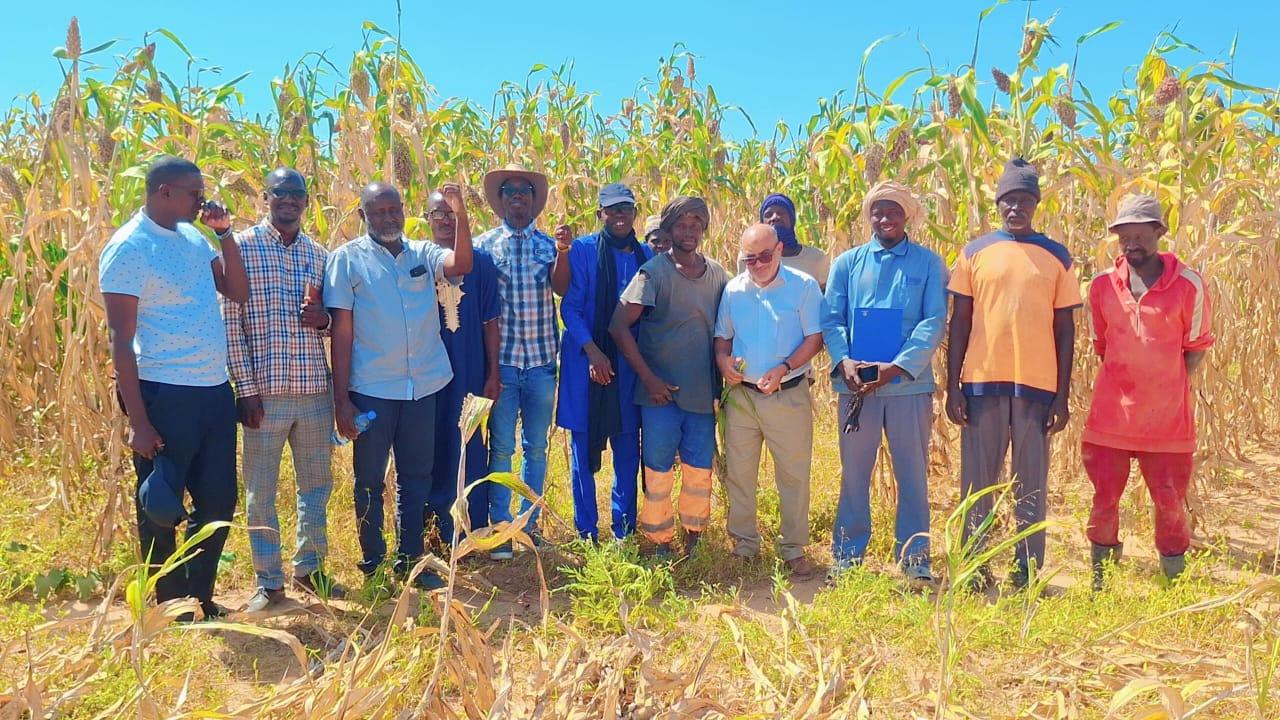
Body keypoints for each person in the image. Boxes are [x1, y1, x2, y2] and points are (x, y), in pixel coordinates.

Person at [99, 155, 248, 621]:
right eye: (195, 194)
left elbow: (237, 291)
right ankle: (169, 604)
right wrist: (139, 422)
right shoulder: (129, 247)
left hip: (213, 389)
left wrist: (224, 234)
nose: (203, 202)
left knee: (218, 499)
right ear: (165, 192)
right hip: (164, 391)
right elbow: (121, 341)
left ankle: (200, 597)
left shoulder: (195, 239)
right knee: (161, 503)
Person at [325, 181, 472, 591]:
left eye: (395, 210)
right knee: (369, 479)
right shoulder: (347, 260)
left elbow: (461, 263)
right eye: (379, 211)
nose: (389, 218)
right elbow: (341, 332)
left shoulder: (422, 253)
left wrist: (460, 211)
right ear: (363, 216)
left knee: (416, 477)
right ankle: (374, 564)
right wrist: (341, 401)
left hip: (422, 385)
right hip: (373, 389)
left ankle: (410, 561)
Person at [945, 158, 1081, 590]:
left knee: (1031, 483)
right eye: (1008, 200)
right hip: (981, 384)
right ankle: (974, 564)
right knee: (978, 483)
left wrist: (1062, 395)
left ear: (1036, 204)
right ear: (998, 204)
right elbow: (959, 322)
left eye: (1024, 200)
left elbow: (1065, 329)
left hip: (1037, 388)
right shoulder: (974, 253)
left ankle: (1027, 568)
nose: (1015, 208)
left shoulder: (1057, 256)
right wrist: (952, 387)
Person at [224, 168, 343, 613]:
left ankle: (310, 569)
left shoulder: (319, 254)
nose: (289, 200)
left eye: (297, 194)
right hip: (265, 393)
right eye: (281, 193)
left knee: (316, 486)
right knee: (261, 492)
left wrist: (324, 320)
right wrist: (245, 389)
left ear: (306, 201)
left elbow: (335, 321)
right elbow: (230, 325)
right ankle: (269, 582)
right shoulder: (240, 249)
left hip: (314, 390)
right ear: (265, 197)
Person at [1082, 193, 1214, 588]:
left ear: (1159, 232)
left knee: (1170, 502)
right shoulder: (1101, 286)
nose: (1131, 244)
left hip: (1167, 423)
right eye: (1125, 237)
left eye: (1140, 235)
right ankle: (1102, 579)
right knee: (1104, 499)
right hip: (1110, 418)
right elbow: (1102, 345)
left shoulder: (1189, 284)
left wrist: (1166, 386)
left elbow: (1196, 347)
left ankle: (1172, 580)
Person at [821, 182, 948, 584]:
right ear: (869, 216)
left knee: (912, 475)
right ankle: (847, 557)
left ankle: (914, 561)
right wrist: (844, 361)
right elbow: (832, 319)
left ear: (907, 215)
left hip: (907, 387)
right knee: (854, 474)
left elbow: (933, 322)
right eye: (877, 211)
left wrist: (896, 368)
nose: (885, 218)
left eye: (893, 211)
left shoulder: (929, 264)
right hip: (857, 389)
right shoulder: (847, 264)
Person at [610, 196, 728, 557]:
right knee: (658, 470)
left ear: (704, 229)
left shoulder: (717, 275)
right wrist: (649, 380)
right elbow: (618, 326)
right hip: (659, 396)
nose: (688, 232)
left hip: (701, 393)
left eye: (696, 225)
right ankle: (659, 539)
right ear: (669, 229)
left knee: (698, 469)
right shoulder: (653, 273)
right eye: (681, 225)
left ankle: (695, 537)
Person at [714, 224, 824, 579]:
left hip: (787, 393)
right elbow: (722, 339)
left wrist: (784, 368)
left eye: (765, 256)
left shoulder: (803, 287)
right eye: (751, 259)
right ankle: (744, 545)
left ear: (778, 250)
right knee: (740, 473)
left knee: (793, 474)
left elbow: (815, 338)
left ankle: (793, 548)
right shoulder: (733, 290)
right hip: (742, 398)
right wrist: (723, 363)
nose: (758, 264)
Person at [473, 163, 570, 558]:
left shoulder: (547, 246)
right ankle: (501, 529)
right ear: (500, 200)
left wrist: (563, 252)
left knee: (536, 448)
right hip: (505, 364)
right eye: (510, 191)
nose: (517, 197)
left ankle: (529, 526)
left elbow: (560, 289)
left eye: (524, 191)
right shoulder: (484, 246)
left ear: (533, 200)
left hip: (542, 362)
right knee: (501, 448)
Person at [557, 183, 653, 541]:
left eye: (625, 208)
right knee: (583, 451)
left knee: (627, 450)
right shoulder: (583, 250)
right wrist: (593, 351)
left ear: (634, 213)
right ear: (600, 214)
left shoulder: (646, 256)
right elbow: (570, 307)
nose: (619, 216)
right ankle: (586, 532)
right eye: (612, 210)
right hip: (587, 365)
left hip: (628, 368)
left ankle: (623, 531)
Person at [423, 189, 502, 547]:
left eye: (452, 212)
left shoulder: (481, 262)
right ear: (427, 219)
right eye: (438, 213)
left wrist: (493, 372)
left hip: (470, 369)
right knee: (431, 444)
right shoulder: (418, 260)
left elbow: (490, 321)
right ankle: (432, 529)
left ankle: (471, 528)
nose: (445, 219)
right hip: (427, 372)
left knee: (469, 444)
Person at [742, 193, 830, 290]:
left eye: (781, 213)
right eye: (768, 215)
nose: (774, 217)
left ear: (792, 219)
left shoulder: (817, 258)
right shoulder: (750, 260)